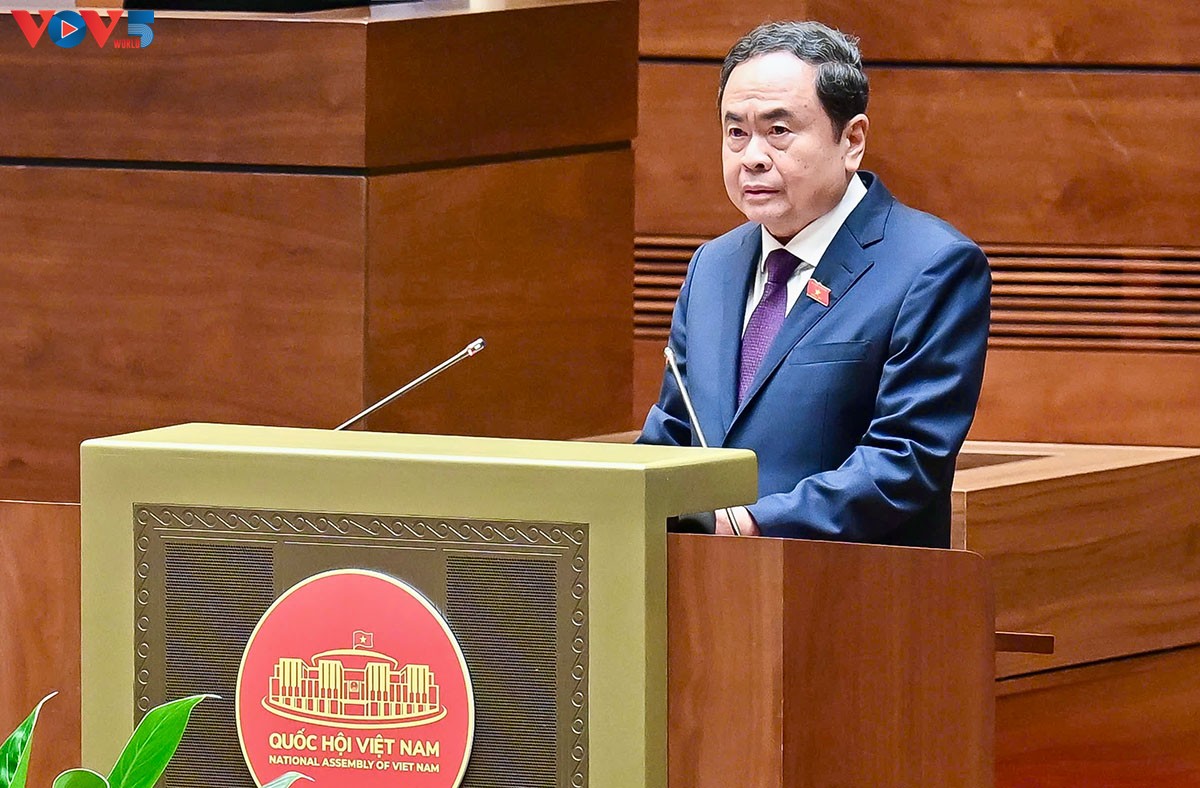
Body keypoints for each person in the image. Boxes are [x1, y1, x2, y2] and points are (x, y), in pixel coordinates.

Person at [638, 20, 991, 548]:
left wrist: (749, 522)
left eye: (778, 131)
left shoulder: (931, 265)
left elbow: (905, 459)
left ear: (852, 140)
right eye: (736, 133)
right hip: (702, 584)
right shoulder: (712, 266)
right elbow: (671, 434)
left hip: (848, 585)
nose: (753, 156)